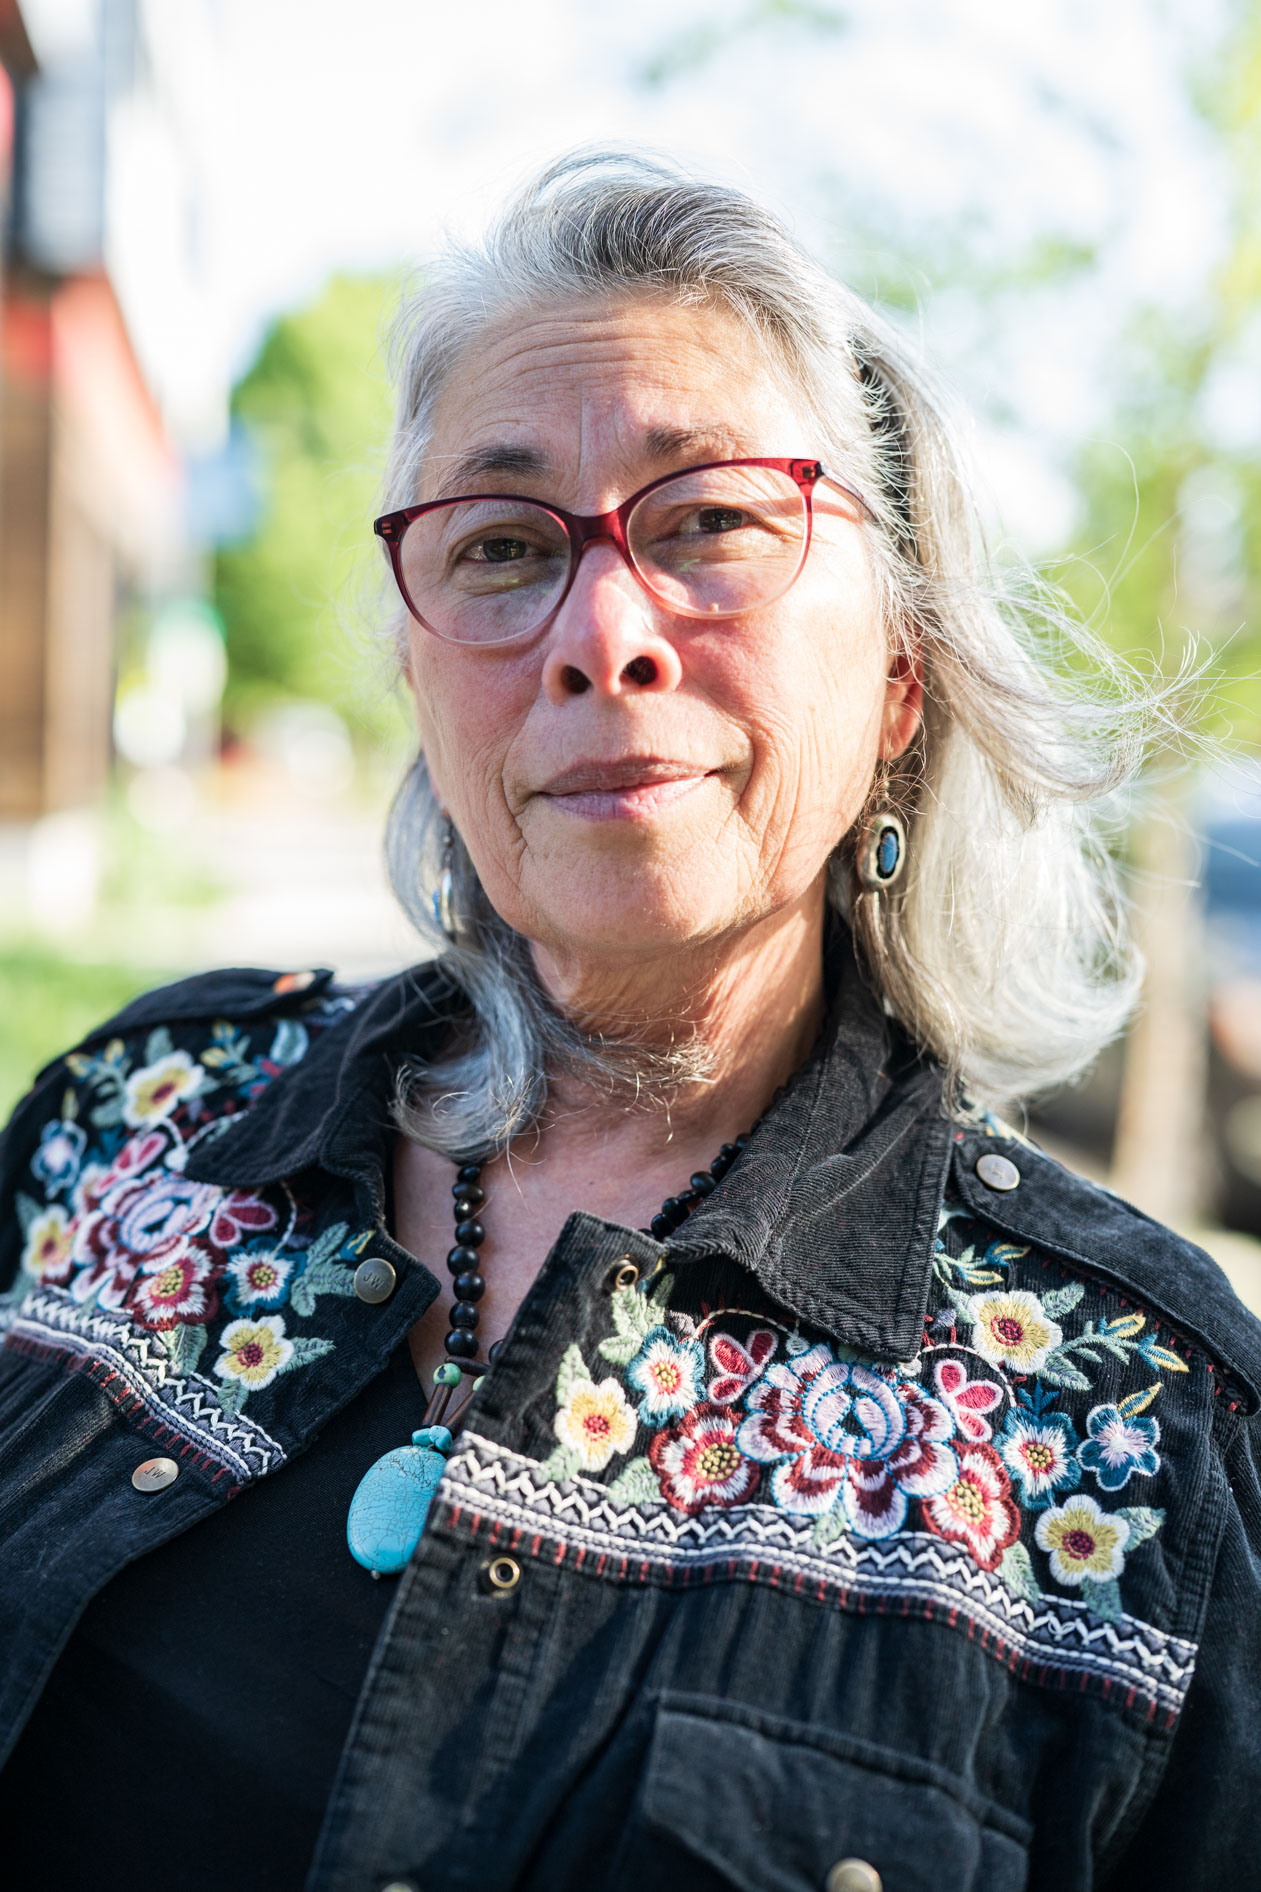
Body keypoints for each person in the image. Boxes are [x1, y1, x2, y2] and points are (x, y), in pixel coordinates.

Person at [0, 150, 1257, 1892]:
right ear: (423, 678)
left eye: (711, 524)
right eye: (505, 547)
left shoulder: (1145, 1425)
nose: (600, 633)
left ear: (900, 674)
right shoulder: (132, 1119)